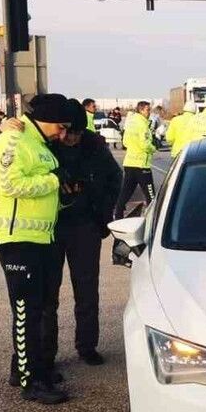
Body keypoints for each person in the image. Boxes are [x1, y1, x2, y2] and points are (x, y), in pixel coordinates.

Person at [0, 94, 72, 405]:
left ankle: (28, 367)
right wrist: (52, 181)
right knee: (26, 312)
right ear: (46, 119)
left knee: (39, 308)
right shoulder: (13, 140)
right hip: (17, 241)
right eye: (60, 127)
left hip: (41, 239)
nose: (62, 134)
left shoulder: (35, 142)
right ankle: (31, 382)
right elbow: (9, 184)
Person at [40, 98, 122, 367]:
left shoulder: (95, 145)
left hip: (86, 225)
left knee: (87, 290)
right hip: (52, 226)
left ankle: (87, 345)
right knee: (48, 294)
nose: (70, 138)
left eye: (76, 133)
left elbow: (115, 178)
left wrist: (106, 211)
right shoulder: (47, 143)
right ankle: (47, 352)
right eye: (67, 133)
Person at [114, 101, 157, 219]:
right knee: (151, 197)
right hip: (142, 165)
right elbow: (145, 144)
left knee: (125, 193)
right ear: (141, 110)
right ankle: (153, 220)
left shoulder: (130, 123)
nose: (149, 113)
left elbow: (125, 142)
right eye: (148, 110)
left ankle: (118, 217)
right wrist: (153, 148)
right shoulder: (143, 124)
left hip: (129, 163)